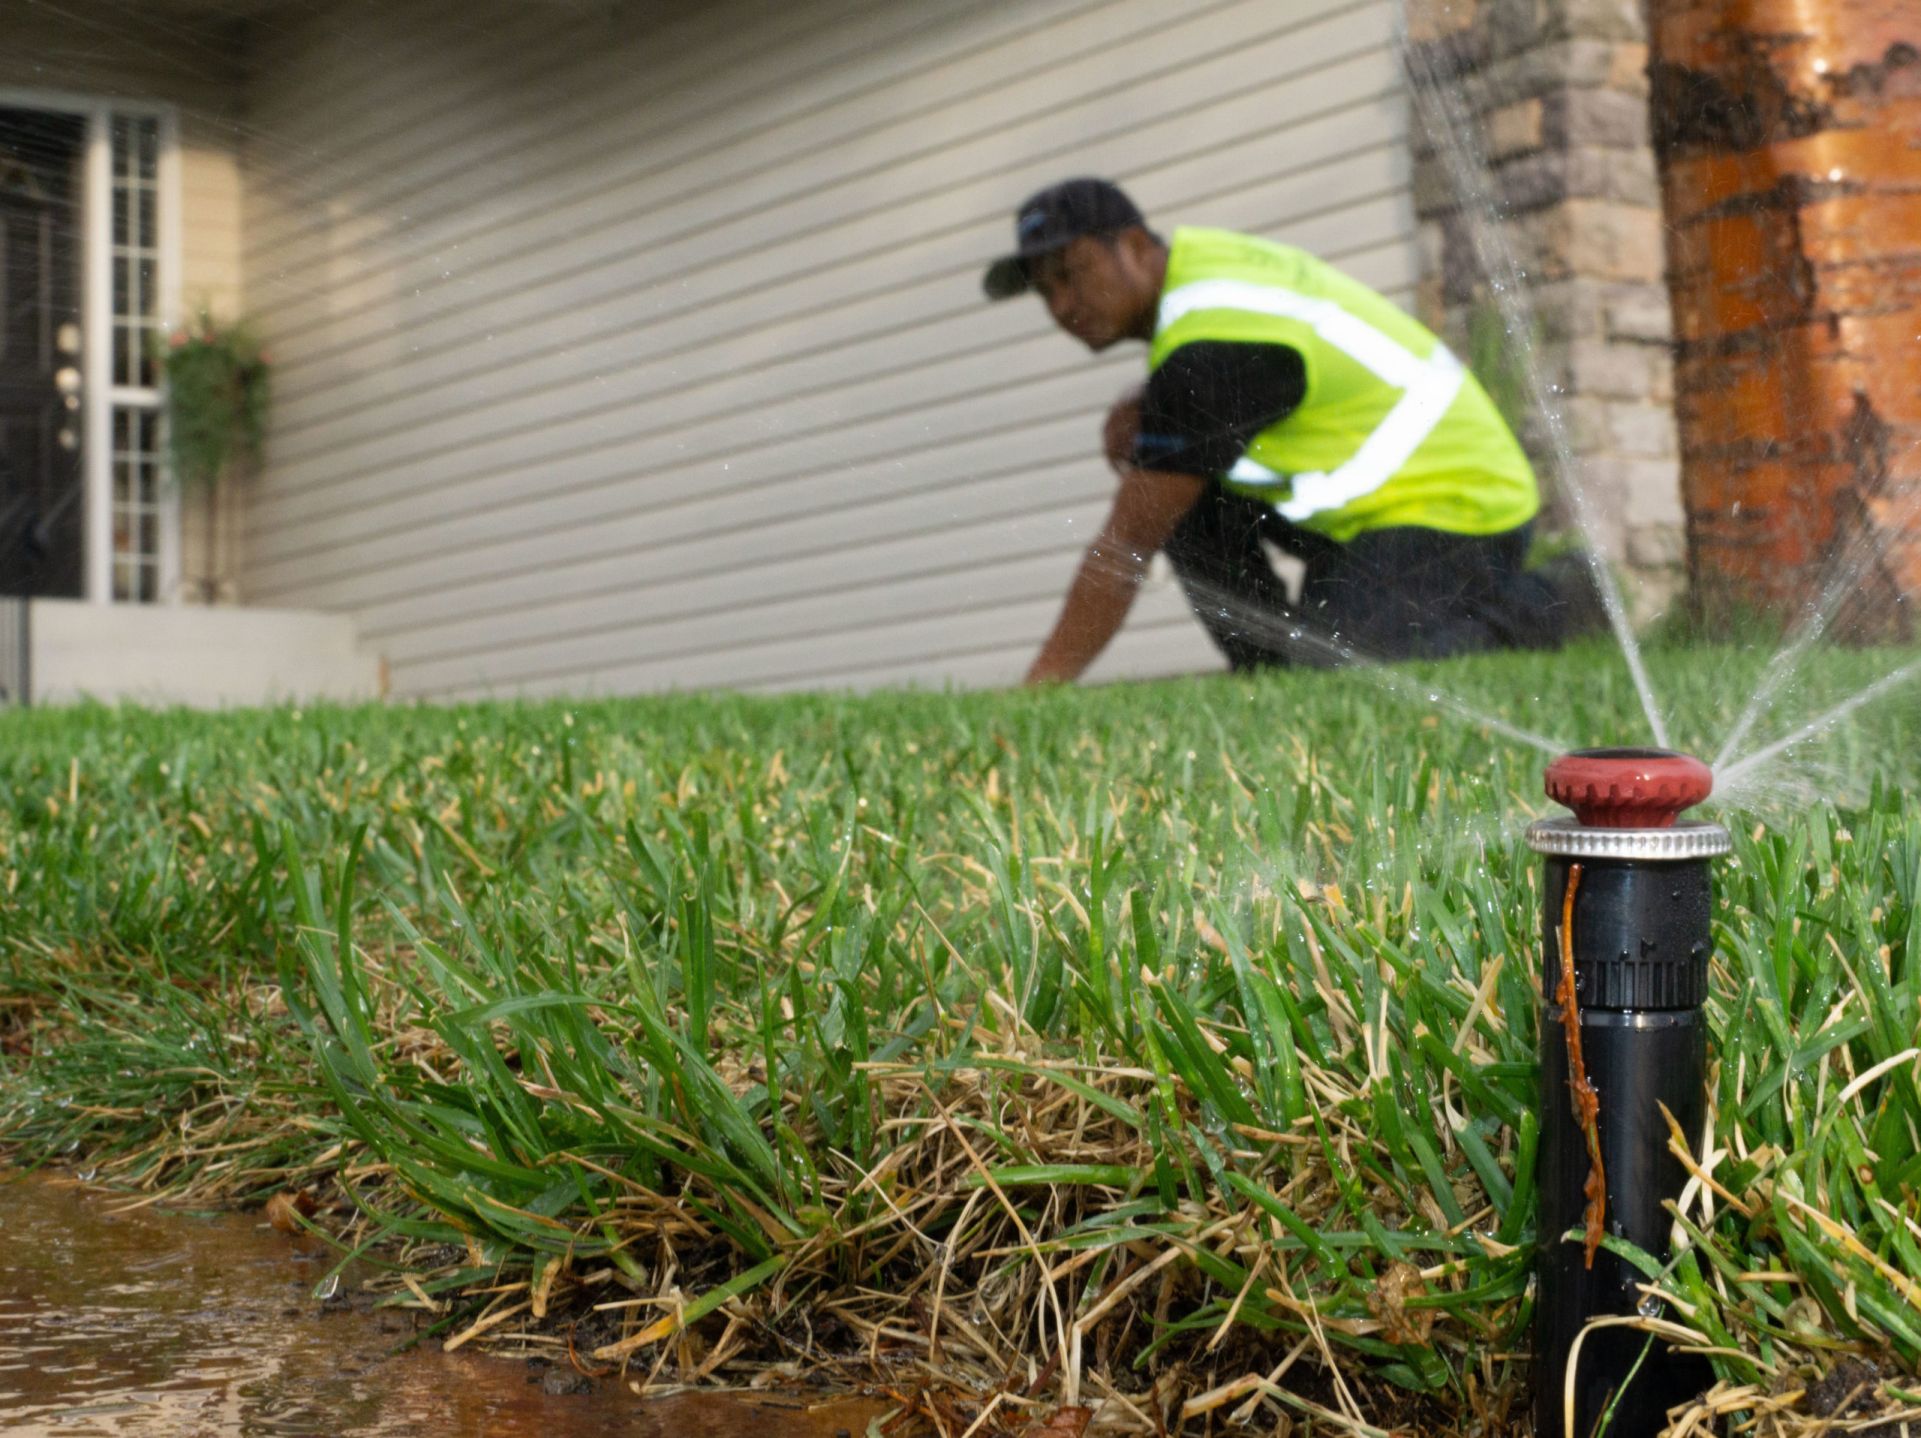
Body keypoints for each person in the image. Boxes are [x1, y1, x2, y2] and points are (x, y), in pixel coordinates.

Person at [982, 178, 1575, 684]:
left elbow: (1125, 546)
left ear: (1135, 246)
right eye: (1045, 289)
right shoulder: (1203, 272)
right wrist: (1151, 408)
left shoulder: (1207, 347)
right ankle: (1271, 673)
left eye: (1073, 272)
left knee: (1350, 671)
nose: (1062, 303)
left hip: (1458, 504)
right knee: (1177, 497)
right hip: (1368, 510)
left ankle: (1559, 603)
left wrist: (1040, 687)